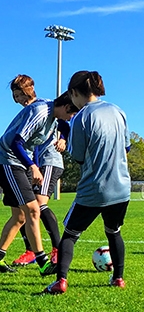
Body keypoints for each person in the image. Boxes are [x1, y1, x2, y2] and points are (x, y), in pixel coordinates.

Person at [44, 71, 131, 294]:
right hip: (122, 187)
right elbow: (126, 148)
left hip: (94, 188)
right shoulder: (118, 111)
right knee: (114, 231)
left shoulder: (81, 118)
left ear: (74, 93)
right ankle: (118, 278)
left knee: (70, 235)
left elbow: (78, 156)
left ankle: (60, 281)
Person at [0, 91, 78, 276]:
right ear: (66, 107)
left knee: (20, 217)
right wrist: (33, 167)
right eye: (72, 113)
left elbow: (65, 127)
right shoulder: (41, 112)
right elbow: (16, 143)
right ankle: (43, 262)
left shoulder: (54, 114)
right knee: (34, 210)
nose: (71, 117)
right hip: (9, 163)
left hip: (21, 165)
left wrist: (62, 139)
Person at [9, 75, 68, 267]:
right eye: (15, 96)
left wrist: (63, 139)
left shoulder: (44, 107)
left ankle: (57, 249)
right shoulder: (28, 111)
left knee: (39, 205)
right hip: (32, 164)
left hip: (49, 161)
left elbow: (65, 124)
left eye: (19, 94)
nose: (17, 99)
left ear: (28, 91)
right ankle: (31, 251)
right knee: (24, 208)